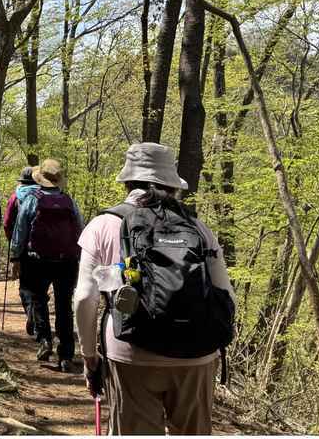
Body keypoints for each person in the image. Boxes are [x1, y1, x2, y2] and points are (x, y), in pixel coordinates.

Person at [72, 142, 235, 435]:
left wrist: (89, 356)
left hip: (131, 353)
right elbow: (227, 296)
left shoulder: (102, 225)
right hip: (197, 356)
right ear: (173, 185)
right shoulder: (199, 229)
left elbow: (85, 296)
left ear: (128, 182)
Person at [8, 159, 84, 371]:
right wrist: (80, 256)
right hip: (66, 262)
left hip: (36, 259)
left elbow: (20, 230)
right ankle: (66, 354)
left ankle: (44, 341)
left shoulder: (32, 199)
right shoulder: (69, 201)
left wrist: (15, 257)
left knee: (38, 299)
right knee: (63, 305)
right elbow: (80, 228)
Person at [3, 166, 41, 336]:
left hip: (24, 248)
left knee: (25, 284)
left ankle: (30, 310)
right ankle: (39, 316)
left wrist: (13, 246)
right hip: (45, 249)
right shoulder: (43, 196)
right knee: (39, 285)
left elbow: (7, 223)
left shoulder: (16, 197)